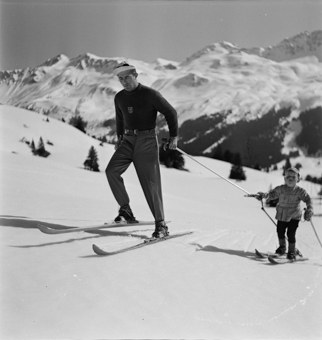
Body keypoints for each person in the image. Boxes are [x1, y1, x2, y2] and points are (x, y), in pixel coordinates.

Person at [105, 62, 178, 238]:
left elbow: (171, 112)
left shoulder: (150, 94)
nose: (124, 82)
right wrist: (120, 138)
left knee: (151, 185)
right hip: (127, 141)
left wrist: (174, 137)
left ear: (136, 75)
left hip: (146, 141)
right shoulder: (119, 97)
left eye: (127, 78)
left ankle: (161, 225)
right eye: (120, 79)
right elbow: (120, 119)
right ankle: (126, 210)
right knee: (111, 171)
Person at [256, 167, 314, 260]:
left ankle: (291, 251)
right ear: (284, 178)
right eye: (288, 177)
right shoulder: (281, 189)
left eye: (293, 177)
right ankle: (282, 248)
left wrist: (310, 209)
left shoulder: (300, 191)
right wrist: (264, 195)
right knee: (280, 231)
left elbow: (308, 199)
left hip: (294, 216)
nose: (290, 179)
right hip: (282, 215)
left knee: (291, 233)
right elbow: (271, 194)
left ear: (298, 179)